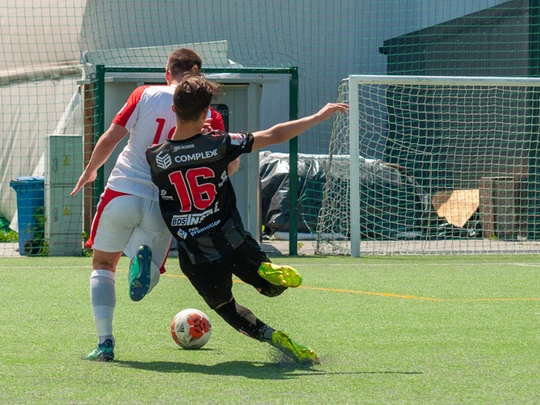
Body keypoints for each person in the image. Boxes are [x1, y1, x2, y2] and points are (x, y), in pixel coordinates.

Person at [146, 74, 348, 364]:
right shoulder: (219, 143)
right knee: (271, 289)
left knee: (227, 307)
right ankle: (267, 273)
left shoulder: (155, 156)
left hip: (196, 253)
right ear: (206, 113)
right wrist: (318, 116)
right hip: (231, 238)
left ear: (174, 109)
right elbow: (275, 134)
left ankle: (271, 336)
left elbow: (179, 158)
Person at [70, 49, 229, 362]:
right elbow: (224, 166)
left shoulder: (144, 93)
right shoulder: (208, 113)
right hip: (165, 202)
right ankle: (143, 269)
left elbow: (111, 137)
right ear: (198, 75)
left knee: (102, 265)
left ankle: (105, 343)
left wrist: (89, 172)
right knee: (154, 269)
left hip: (122, 190)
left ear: (167, 72)